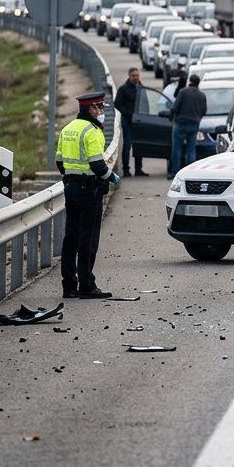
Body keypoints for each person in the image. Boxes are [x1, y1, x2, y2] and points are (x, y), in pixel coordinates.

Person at [55, 92, 120, 299]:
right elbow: (97, 165)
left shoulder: (67, 129)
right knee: (88, 239)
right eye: (99, 107)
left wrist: (73, 177)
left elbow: (59, 162)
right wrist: (113, 177)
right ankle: (86, 285)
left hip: (71, 189)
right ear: (89, 109)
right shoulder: (92, 131)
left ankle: (69, 286)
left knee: (70, 238)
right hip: (89, 191)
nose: (101, 111)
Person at [112, 68, 149, 177]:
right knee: (127, 145)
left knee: (139, 145)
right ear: (129, 76)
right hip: (127, 121)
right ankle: (126, 170)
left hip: (139, 122)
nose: (135, 77)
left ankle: (138, 169)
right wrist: (128, 113)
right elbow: (117, 104)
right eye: (133, 75)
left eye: (137, 75)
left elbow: (145, 103)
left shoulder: (141, 88)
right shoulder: (123, 89)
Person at [169, 74, 206, 176]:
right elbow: (204, 110)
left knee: (177, 149)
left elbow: (175, 107)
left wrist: (171, 117)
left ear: (190, 81)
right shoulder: (201, 95)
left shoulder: (183, 92)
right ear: (198, 83)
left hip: (180, 122)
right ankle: (190, 173)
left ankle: (175, 171)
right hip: (194, 124)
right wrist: (198, 118)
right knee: (191, 149)